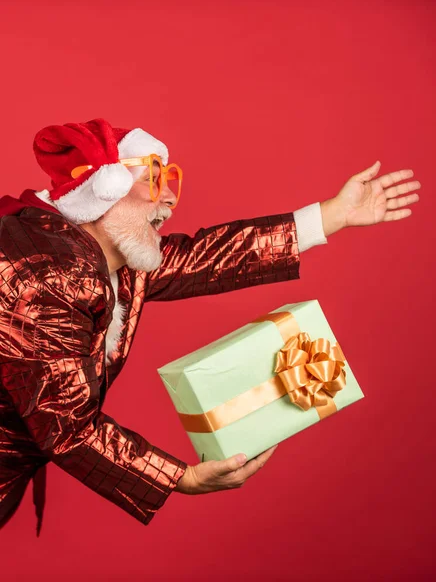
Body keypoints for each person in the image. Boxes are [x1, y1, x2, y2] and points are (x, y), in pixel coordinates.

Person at [0, 118, 420, 537]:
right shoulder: (51, 275)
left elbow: (202, 258)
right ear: (102, 191)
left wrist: (329, 217)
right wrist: (181, 478)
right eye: (153, 179)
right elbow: (68, 426)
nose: (168, 199)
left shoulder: (94, 248)